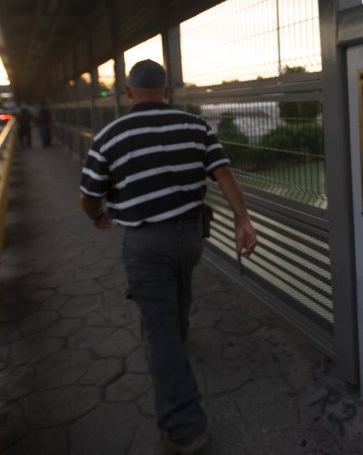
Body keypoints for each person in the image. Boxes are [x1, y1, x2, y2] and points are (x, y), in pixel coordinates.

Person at [78, 59, 258, 455]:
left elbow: (89, 196)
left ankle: (183, 429)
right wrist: (243, 219)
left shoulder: (110, 135)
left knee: (156, 325)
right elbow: (223, 172)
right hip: (191, 235)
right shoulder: (195, 126)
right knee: (180, 283)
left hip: (145, 241)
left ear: (127, 93)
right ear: (167, 90)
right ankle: (178, 335)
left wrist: (98, 217)